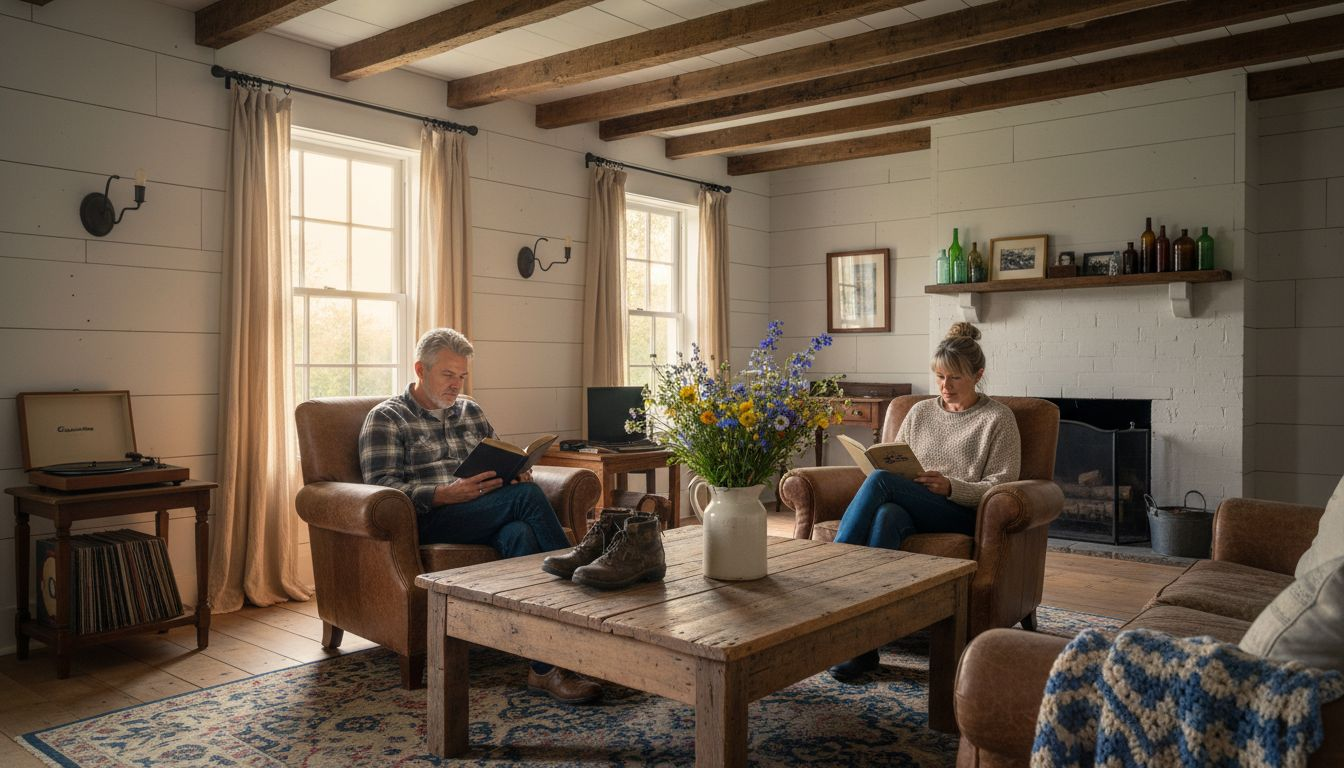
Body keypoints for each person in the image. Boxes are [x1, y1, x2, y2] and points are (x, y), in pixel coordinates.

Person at [359, 328, 601, 704]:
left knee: (521, 532)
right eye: (448, 375)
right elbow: (382, 490)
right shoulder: (388, 418)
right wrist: (443, 494)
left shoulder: (470, 410)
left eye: (462, 376)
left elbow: (500, 453)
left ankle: (545, 669)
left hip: (486, 510)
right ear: (420, 369)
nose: (457, 385)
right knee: (525, 499)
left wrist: (517, 471)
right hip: (431, 519)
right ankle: (583, 587)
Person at [829, 322, 1021, 683]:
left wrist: (952, 487)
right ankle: (864, 648)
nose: (944, 387)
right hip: (912, 505)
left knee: (882, 482)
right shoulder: (920, 413)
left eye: (954, 379)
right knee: (886, 514)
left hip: (962, 512)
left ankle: (834, 562)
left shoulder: (998, 419)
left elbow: (1003, 485)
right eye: (939, 377)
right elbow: (893, 458)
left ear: (978, 375)